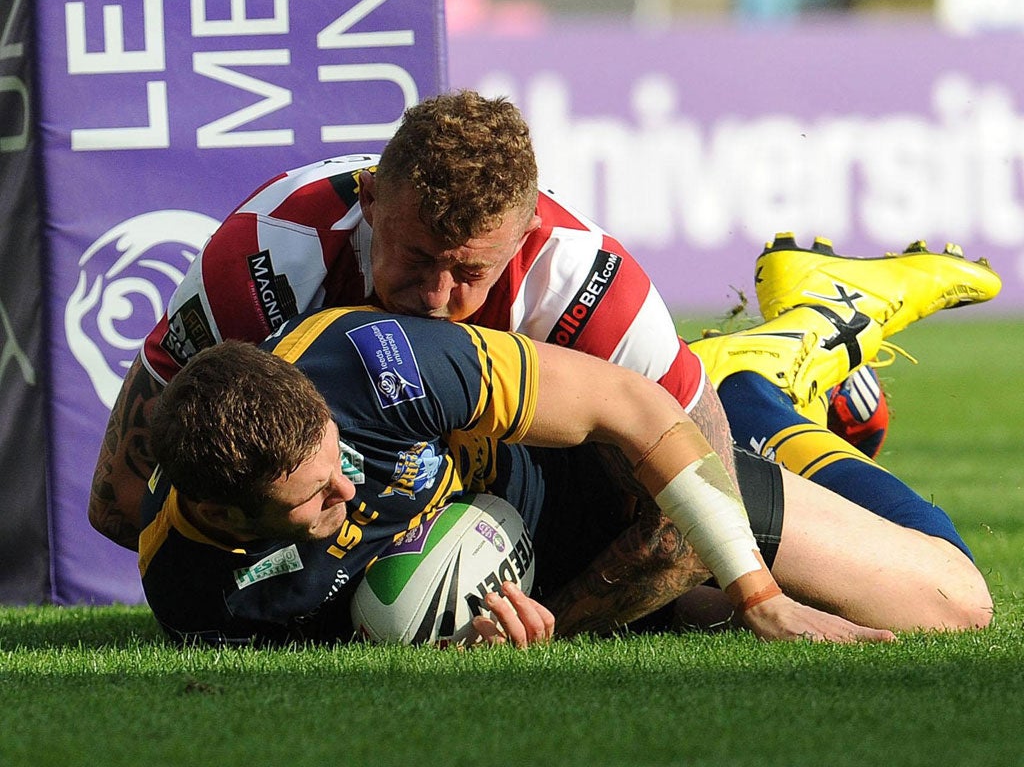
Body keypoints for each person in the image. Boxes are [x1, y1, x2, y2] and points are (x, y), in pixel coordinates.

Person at [94, 90, 997, 633]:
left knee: (941, 594)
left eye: (471, 273)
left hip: (616, 439)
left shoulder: (590, 291)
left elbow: (684, 507)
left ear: (525, 237)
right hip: (492, 475)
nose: (438, 300)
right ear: (371, 204)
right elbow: (120, 498)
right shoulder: (271, 258)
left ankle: (769, 368)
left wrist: (549, 620)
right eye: (413, 261)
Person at [140, 306, 977, 648]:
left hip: (601, 481)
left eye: (341, 461)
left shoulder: (375, 365)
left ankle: (758, 388)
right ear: (225, 512)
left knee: (954, 605)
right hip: (548, 570)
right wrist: (458, 648)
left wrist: (764, 597)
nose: (348, 492)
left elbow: (632, 403)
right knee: (702, 610)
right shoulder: (194, 590)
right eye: (315, 498)